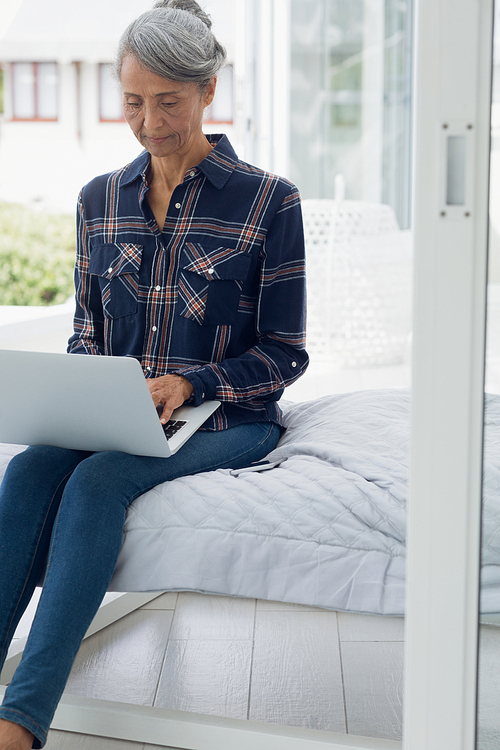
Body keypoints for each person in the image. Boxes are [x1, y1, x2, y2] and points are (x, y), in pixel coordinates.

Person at [0, 1, 308, 747]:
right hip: (123, 410)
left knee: (102, 478)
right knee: (30, 470)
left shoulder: (270, 201)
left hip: (230, 417)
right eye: (133, 101)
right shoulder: (98, 201)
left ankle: (21, 719)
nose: (149, 121)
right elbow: (86, 330)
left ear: (207, 91)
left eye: (168, 102)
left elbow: (285, 351)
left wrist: (192, 384)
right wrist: (88, 393)